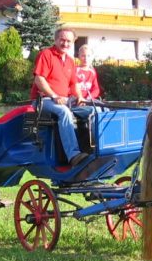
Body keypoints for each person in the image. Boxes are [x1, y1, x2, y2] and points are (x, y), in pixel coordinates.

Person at [30, 28, 89, 166]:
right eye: (62, 40)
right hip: (43, 100)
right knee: (64, 112)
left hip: (64, 100)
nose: (65, 43)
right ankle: (73, 155)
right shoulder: (46, 54)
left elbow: (74, 84)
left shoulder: (70, 60)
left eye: (69, 41)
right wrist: (54, 95)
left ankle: (93, 149)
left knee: (94, 108)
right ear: (56, 40)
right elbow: (39, 80)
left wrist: (80, 97)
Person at [72, 45, 104, 119]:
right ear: (79, 56)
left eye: (88, 56)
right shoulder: (74, 70)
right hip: (76, 102)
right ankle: (95, 130)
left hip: (88, 101)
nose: (86, 59)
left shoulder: (92, 72)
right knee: (96, 110)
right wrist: (80, 98)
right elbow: (71, 86)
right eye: (83, 56)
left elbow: (96, 89)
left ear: (92, 57)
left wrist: (88, 99)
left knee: (105, 109)